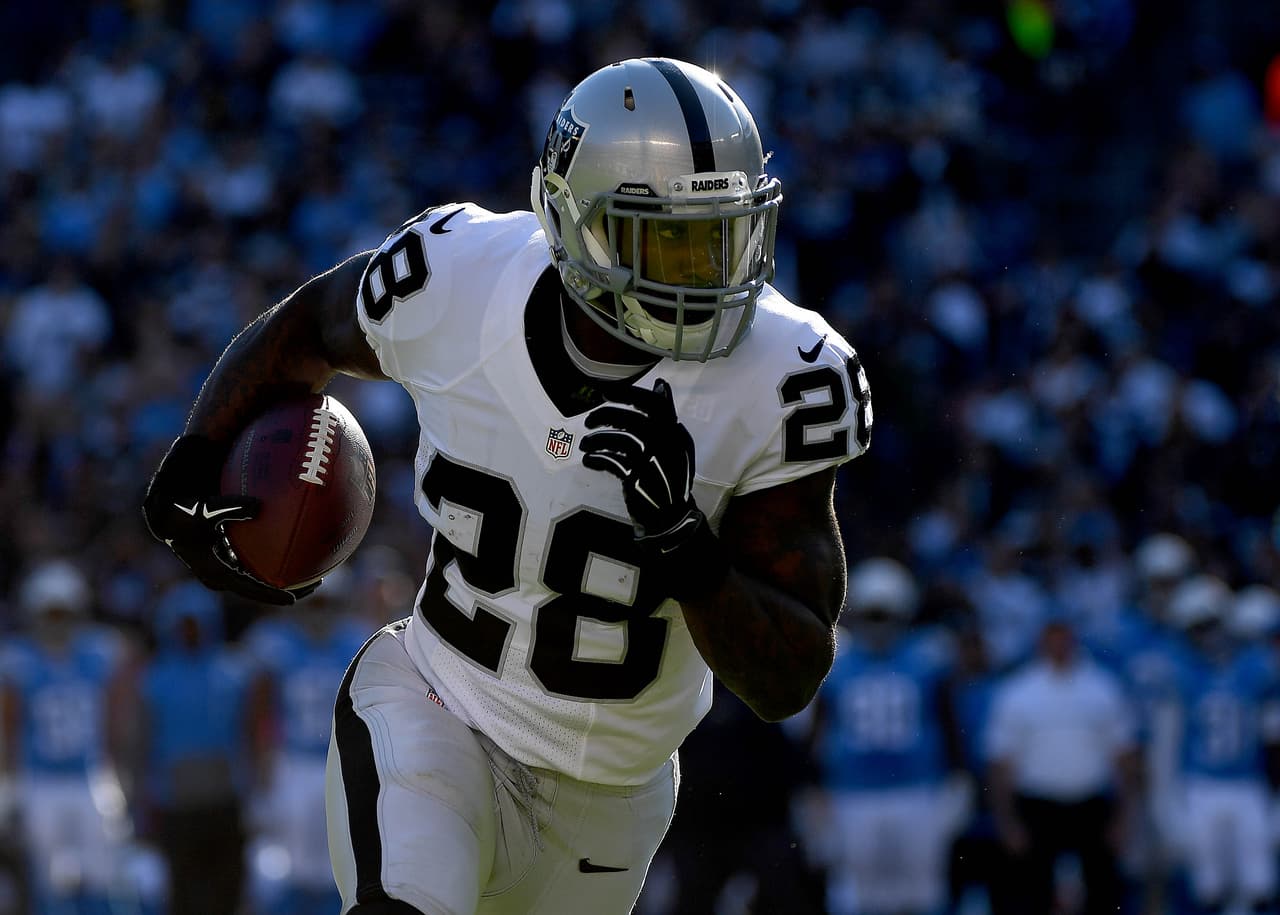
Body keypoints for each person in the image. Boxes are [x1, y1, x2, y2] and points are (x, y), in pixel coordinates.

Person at [142, 57, 871, 915]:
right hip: (439, 704)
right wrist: (197, 456)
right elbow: (306, 328)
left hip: (614, 795)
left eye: (724, 234)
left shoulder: (784, 375)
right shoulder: (457, 274)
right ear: (575, 221)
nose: (706, 273)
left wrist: (680, 539)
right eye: (668, 238)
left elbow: (787, 678)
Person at [810, 557, 969, 915]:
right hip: (852, 791)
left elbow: (947, 720)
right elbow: (819, 732)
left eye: (885, 615)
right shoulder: (839, 661)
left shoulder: (928, 657)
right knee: (855, 889)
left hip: (919, 787)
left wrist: (958, 777)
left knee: (923, 889)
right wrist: (814, 788)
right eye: (872, 615)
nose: (879, 625)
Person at [0, 559, 132, 915]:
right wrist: (8, 783)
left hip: (89, 776)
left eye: (62, 612)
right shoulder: (18, 660)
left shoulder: (98, 652)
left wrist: (117, 772)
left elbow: (114, 718)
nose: (56, 620)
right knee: (49, 881)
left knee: (102, 874)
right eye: (50, 612)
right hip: (40, 779)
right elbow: (9, 725)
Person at [986, 613, 1141, 915]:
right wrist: (1007, 823)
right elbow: (1000, 764)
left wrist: (1123, 817)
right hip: (1038, 806)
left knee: (1101, 897)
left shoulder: (1102, 687)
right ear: (1041, 642)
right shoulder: (1018, 692)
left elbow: (1125, 757)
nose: (1058, 645)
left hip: (1090, 806)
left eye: (1063, 638)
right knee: (1034, 897)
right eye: (1051, 638)